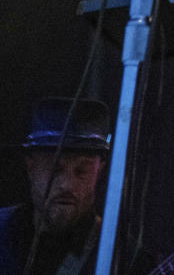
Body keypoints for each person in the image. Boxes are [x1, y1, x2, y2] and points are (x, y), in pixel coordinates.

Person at [0, 97, 113, 275]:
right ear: (30, 167)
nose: (67, 185)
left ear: (99, 171)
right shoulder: (4, 231)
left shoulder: (122, 255)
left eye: (82, 171)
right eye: (55, 169)